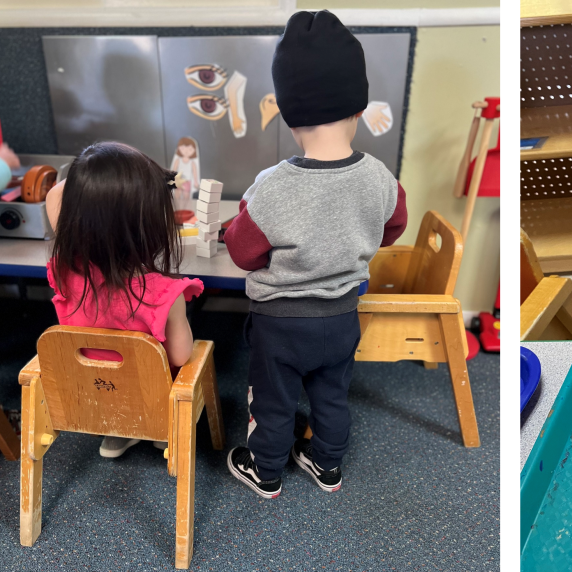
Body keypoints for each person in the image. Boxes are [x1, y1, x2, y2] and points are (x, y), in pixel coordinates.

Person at [223, 10, 408, 498]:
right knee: (332, 394)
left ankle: (266, 471)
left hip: (280, 324)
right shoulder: (381, 177)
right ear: (359, 104)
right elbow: (392, 229)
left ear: (286, 109)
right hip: (343, 314)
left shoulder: (272, 186)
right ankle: (326, 465)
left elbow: (243, 252)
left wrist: (241, 217)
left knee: (273, 399)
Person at [44, 142, 203, 458]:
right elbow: (182, 356)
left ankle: (117, 433)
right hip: (149, 394)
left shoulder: (65, 271)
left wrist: (93, 174)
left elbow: (56, 196)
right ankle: (160, 431)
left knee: (115, 371)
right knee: (181, 358)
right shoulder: (165, 295)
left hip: (94, 391)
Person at [169, 136, 200, 204]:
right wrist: (172, 179)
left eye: (190, 149)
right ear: (179, 149)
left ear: (194, 150)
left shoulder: (192, 163)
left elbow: (195, 172)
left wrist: (195, 182)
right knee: (177, 195)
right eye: (183, 148)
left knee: (187, 197)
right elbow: (173, 170)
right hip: (178, 181)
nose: (186, 151)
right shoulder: (178, 160)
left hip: (187, 181)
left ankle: (185, 209)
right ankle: (177, 209)